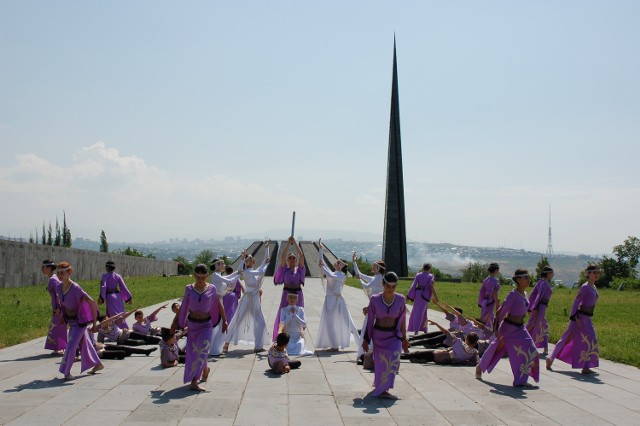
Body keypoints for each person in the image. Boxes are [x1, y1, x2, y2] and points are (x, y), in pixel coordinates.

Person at [476, 269, 540, 387]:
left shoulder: (524, 294)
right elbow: (501, 311)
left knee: (531, 350)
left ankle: (521, 381)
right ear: (518, 279)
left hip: (520, 328)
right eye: (526, 278)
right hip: (508, 329)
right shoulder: (513, 294)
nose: (528, 280)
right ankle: (479, 367)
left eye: (528, 278)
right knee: (495, 349)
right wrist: (495, 329)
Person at [177, 263, 228, 391]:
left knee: (203, 349)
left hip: (206, 324)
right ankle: (205, 369)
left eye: (203, 277)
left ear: (207, 276)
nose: (200, 280)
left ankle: (194, 381)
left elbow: (218, 304)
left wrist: (225, 321)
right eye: (197, 277)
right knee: (193, 352)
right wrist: (179, 323)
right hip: (193, 325)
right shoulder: (189, 289)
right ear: (194, 276)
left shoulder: (212, 288)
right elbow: (184, 305)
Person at [361, 272, 410, 399]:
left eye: (394, 287)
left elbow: (403, 320)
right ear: (383, 284)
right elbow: (370, 320)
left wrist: (404, 338)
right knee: (380, 363)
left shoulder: (400, 299)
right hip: (379, 336)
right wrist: (366, 339)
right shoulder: (375, 299)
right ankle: (381, 386)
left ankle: (385, 388)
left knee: (393, 359)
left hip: (394, 335)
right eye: (388, 286)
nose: (391, 289)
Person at [546, 265, 600, 374]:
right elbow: (577, 301)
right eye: (594, 272)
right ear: (588, 273)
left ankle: (586, 366)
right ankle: (551, 359)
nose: (597, 274)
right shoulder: (585, 287)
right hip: (579, 318)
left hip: (587, 318)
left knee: (591, 340)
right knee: (567, 338)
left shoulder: (593, 287)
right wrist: (574, 317)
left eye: (598, 272)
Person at [54, 262, 103, 380]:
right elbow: (62, 303)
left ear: (69, 272)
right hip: (70, 322)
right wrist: (62, 315)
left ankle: (66, 372)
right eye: (58, 273)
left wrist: (95, 323)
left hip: (79, 323)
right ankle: (97, 364)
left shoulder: (76, 288)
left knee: (71, 346)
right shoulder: (58, 287)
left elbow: (91, 302)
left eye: (62, 273)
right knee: (84, 345)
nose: (60, 275)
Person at [224, 244, 270, 353]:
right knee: (237, 319)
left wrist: (267, 248)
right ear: (248, 262)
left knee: (260, 322)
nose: (254, 259)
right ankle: (226, 343)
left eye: (252, 259)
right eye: (251, 259)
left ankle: (258, 346)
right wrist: (242, 259)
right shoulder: (248, 272)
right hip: (247, 298)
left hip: (254, 299)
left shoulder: (254, 271)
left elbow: (266, 261)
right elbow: (261, 271)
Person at [316, 241, 360, 351]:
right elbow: (323, 265)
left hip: (337, 301)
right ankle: (334, 344)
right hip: (330, 300)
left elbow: (329, 273)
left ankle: (358, 343)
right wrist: (320, 250)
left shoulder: (341, 275)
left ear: (341, 266)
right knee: (330, 323)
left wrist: (324, 266)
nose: (335, 263)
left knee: (348, 322)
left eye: (337, 262)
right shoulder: (336, 273)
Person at [352, 255, 386, 362]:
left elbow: (366, 285)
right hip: (374, 306)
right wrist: (354, 262)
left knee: (369, 328)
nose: (373, 267)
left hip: (375, 308)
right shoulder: (377, 277)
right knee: (369, 328)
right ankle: (368, 351)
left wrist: (359, 280)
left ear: (378, 268)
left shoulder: (378, 278)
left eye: (374, 266)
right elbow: (361, 275)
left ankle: (367, 351)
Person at [402, 320, 479, 365]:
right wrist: (462, 360)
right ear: (475, 343)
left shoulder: (460, 342)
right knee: (428, 356)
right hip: (447, 361)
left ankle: (400, 356)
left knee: (417, 353)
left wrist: (436, 324)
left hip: (440, 355)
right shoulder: (475, 352)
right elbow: (476, 362)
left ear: (466, 339)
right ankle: (421, 359)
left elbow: (446, 332)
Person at [272, 236, 305, 340]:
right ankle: (281, 336)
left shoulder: (299, 269)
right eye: (289, 257)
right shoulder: (284, 269)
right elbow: (282, 256)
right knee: (284, 314)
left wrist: (294, 242)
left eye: (293, 257)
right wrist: (287, 243)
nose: (291, 259)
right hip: (286, 293)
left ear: (296, 260)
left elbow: (302, 256)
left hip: (298, 293)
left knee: (297, 314)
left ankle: (298, 336)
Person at [209, 258, 241, 356]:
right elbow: (230, 280)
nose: (224, 265)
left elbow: (230, 276)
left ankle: (215, 347)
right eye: (222, 263)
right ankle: (214, 348)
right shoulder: (215, 275)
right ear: (217, 265)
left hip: (219, 301)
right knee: (219, 324)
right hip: (216, 302)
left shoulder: (218, 275)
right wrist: (238, 274)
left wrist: (241, 263)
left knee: (220, 324)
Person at [526, 266, 554, 354]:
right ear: (548, 273)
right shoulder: (544, 283)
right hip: (540, 307)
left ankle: (544, 347)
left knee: (542, 326)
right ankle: (527, 344)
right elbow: (538, 296)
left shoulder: (540, 282)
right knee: (539, 325)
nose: (553, 274)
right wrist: (534, 308)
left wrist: (530, 306)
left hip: (541, 307)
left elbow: (533, 295)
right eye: (552, 273)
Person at [42, 259, 66, 355]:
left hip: (58, 309)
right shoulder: (53, 278)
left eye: (43, 267)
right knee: (56, 327)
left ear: (49, 268)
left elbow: (59, 294)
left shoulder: (53, 280)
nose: (42, 269)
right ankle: (59, 347)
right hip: (57, 307)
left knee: (57, 327)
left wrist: (59, 308)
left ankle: (60, 348)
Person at [98, 261, 133, 329]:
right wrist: (129, 297)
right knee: (120, 313)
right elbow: (123, 286)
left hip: (110, 297)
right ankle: (112, 329)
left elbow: (104, 286)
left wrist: (101, 297)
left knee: (114, 315)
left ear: (107, 267)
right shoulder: (118, 276)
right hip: (118, 296)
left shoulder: (105, 276)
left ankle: (123, 329)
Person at [407, 263, 438, 335]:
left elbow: (414, 285)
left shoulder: (418, 275)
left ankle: (424, 328)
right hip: (425, 295)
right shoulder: (431, 276)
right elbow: (431, 286)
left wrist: (410, 295)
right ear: (430, 268)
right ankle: (417, 330)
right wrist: (435, 296)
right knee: (421, 312)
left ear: (423, 268)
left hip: (418, 294)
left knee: (418, 311)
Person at [477, 263, 501, 329]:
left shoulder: (486, 280)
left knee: (488, 317)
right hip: (489, 303)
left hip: (484, 302)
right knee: (487, 320)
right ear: (496, 270)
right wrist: (497, 303)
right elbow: (494, 292)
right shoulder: (494, 280)